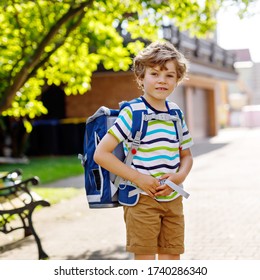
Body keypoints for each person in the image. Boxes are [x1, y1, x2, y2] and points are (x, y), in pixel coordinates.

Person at [94, 41, 193, 260]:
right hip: (141, 199)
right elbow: (101, 154)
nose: (162, 80)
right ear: (141, 78)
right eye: (155, 73)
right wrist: (139, 178)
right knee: (145, 259)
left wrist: (179, 176)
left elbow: (186, 155)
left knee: (171, 258)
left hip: (172, 198)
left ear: (178, 79)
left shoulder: (176, 113)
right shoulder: (133, 112)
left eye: (169, 75)